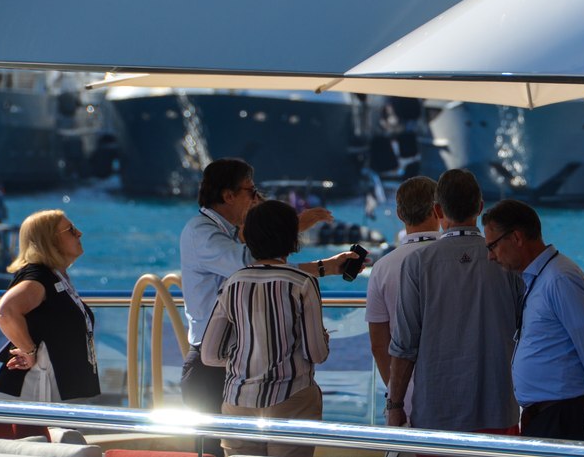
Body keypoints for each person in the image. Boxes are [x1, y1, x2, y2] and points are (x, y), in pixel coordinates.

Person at [180, 158, 356, 454]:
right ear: (228, 195)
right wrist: (289, 225)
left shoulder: (228, 237)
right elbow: (257, 265)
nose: (256, 198)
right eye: (251, 191)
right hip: (216, 369)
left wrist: (326, 266)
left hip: (236, 370)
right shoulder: (203, 232)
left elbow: (267, 269)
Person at [386, 169, 523, 434]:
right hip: (499, 408)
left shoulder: (417, 264)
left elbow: (404, 345)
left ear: (437, 211)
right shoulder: (507, 259)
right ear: (481, 207)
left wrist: (395, 405)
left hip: (436, 412)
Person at [201, 200, 330, 457]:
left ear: (248, 238)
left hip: (238, 399)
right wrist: (324, 339)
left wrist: (245, 355)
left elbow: (209, 354)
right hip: (292, 398)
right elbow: (317, 353)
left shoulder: (233, 283)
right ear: (292, 238)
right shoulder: (301, 282)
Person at [482, 199, 584, 441]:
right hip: (549, 416)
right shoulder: (542, 278)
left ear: (517, 238)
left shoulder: (559, 279)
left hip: (564, 418)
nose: (490, 257)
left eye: (492, 246)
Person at [0, 210, 100, 402]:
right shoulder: (38, 277)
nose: (79, 233)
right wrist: (29, 351)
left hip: (59, 393)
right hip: (33, 394)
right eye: (71, 230)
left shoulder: (55, 277)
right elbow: (6, 312)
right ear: (50, 240)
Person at [365, 176, 440, 423]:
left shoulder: (383, 267)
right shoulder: (461, 261)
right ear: (438, 209)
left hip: (404, 399)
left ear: (399, 214)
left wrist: (398, 394)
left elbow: (378, 344)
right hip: (459, 393)